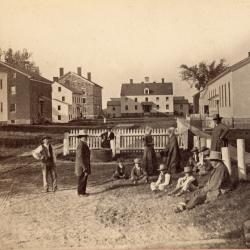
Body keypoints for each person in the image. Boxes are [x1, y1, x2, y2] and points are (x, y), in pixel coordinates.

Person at [75, 130, 91, 197]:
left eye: (85, 136)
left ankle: (83, 192)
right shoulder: (81, 145)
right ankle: (80, 193)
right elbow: (80, 157)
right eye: (83, 136)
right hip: (81, 166)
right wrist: (84, 167)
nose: (85, 138)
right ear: (80, 137)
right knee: (81, 179)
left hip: (85, 165)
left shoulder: (84, 144)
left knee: (84, 179)